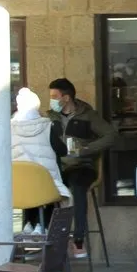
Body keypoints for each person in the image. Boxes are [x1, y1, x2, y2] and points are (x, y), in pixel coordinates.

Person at [47, 78, 117, 259]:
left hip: (82, 165)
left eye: (55, 96)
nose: (52, 100)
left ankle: (78, 240)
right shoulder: (49, 118)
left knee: (78, 189)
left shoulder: (88, 115)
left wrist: (86, 150)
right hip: (57, 167)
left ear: (67, 97)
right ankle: (46, 238)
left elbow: (110, 135)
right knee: (43, 189)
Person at [11, 88, 71, 235]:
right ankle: (41, 225)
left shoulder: (9, 127)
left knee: (29, 187)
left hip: (17, 188)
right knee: (52, 188)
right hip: (44, 185)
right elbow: (62, 150)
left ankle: (28, 224)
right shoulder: (47, 126)